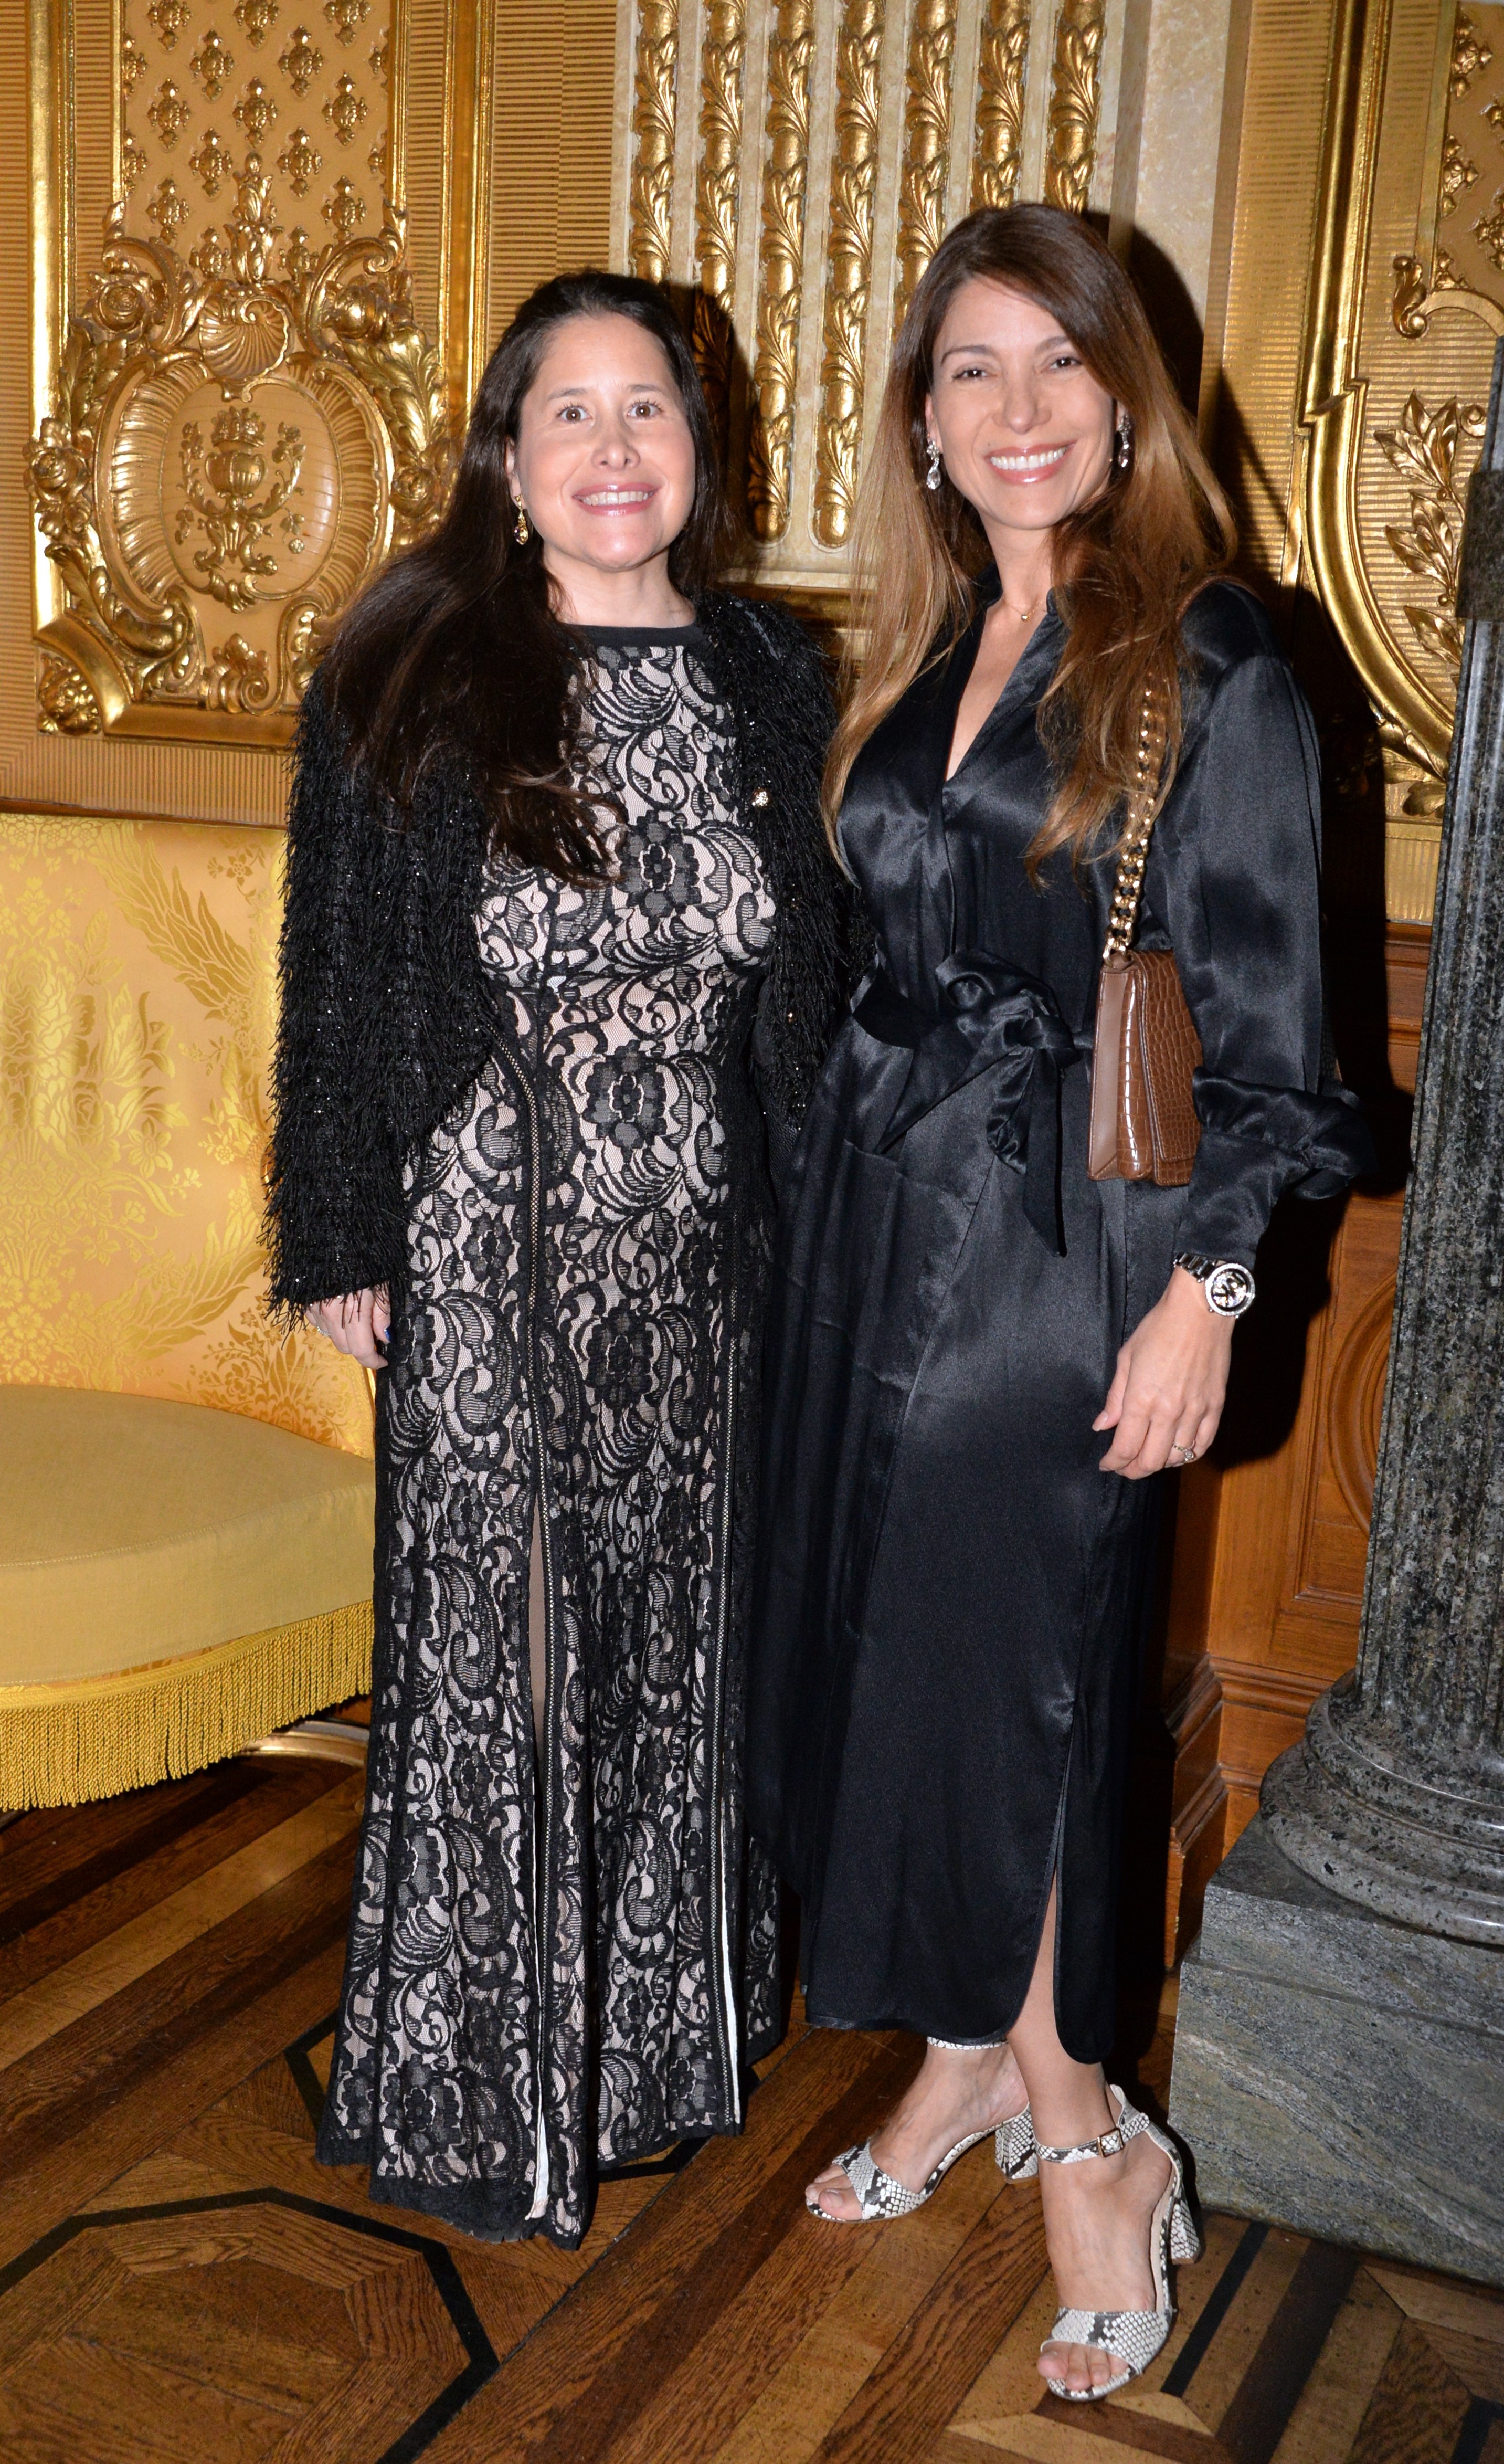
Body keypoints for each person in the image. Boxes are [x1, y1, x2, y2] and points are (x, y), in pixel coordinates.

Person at [747, 206, 1370, 2398]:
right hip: (876, 1221)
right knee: (895, 1663)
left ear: (1126, 403)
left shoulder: (1213, 662)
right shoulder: (926, 650)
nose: (1015, 410)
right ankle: (966, 2055)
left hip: (1066, 1251)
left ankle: (1090, 2133)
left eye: (1057, 365)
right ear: (920, 421)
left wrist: (1210, 1290)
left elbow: (1281, 1046)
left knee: (1019, 1684)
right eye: (968, 369)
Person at [268, 269, 851, 2248]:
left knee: (676, 1647)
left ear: (701, 447)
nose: (614, 449)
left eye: (648, 409)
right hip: (485, 1237)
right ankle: (470, 2092)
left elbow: (816, 978)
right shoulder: (410, 660)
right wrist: (338, 1230)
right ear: (507, 461)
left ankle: (647, 2056)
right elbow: (333, 970)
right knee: (496, 1659)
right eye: (569, 414)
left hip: (707, 1257)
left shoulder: (773, 670)